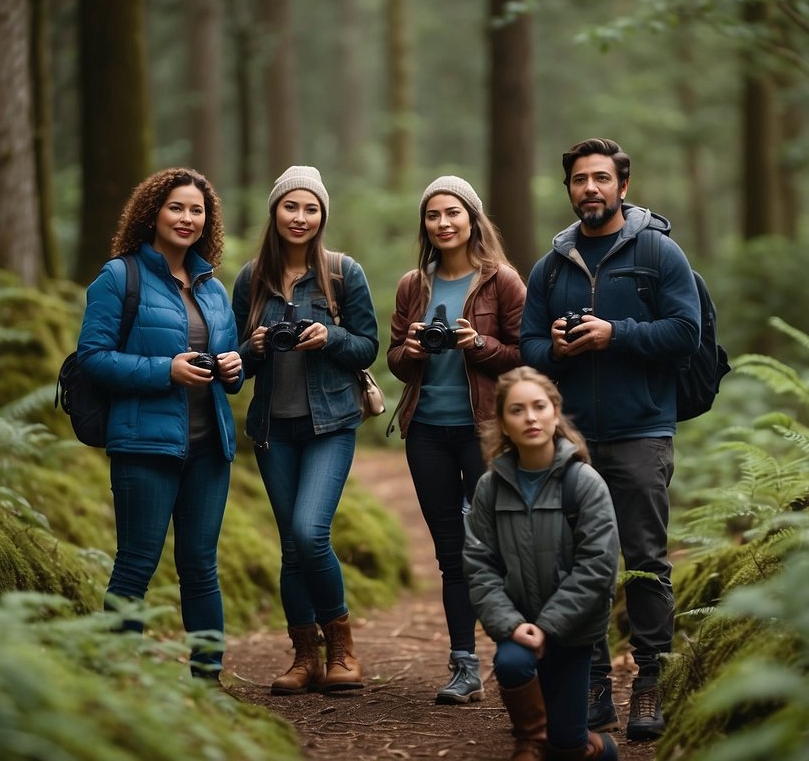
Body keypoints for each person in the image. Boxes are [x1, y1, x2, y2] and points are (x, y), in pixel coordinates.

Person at [519, 138, 700, 740]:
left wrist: (612, 334)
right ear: (568, 189)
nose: (589, 189)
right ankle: (592, 679)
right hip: (572, 439)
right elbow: (530, 348)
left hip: (641, 430)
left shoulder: (659, 253)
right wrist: (561, 348)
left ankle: (651, 680)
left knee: (645, 558)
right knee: (576, 562)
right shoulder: (551, 266)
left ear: (623, 185)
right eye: (578, 180)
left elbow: (685, 331)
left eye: (601, 178)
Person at [77, 167, 245, 681]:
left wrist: (233, 369)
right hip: (144, 445)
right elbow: (92, 358)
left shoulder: (212, 288)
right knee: (135, 566)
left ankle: (207, 679)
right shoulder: (119, 276)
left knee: (200, 567)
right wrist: (163, 371)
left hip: (208, 449)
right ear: (153, 212)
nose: (187, 218)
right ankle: (122, 680)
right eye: (177, 207)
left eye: (197, 210)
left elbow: (225, 364)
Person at [231, 165, 379, 695]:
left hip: (331, 424)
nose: (300, 217)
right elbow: (237, 365)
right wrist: (256, 348)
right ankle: (304, 657)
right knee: (290, 548)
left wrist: (330, 338)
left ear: (322, 216)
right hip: (273, 429)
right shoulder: (251, 279)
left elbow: (368, 347)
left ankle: (342, 646)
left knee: (309, 533)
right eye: (291, 206)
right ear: (275, 212)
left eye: (311, 208)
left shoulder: (343, 273)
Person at [387, 175, 525, 704]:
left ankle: (518, 652)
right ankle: (464, 665)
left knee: (496, 543)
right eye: (432, 215)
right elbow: (396, 359)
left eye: (453, 213)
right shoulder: (412, 285)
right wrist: (415, 353)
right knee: (451, 552)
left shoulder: (503, 281)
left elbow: (526, 357)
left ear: (472, 219)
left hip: (485, 431)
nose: (443, 224)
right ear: (424, 224)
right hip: (426, 433)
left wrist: (480, 344)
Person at [464, 367, 619, 761]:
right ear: (502, 422)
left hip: (573, 631)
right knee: (512, 663)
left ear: (555, 412)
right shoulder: (490, 487)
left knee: (569, 747)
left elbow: (598, 566)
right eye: (517, 410)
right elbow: (479, 564)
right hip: (518, 628)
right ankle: (529, 741)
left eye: (539, 407)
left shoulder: (583, 482)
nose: (530, 418)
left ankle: (598, 749)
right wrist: (513, 625)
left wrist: (548, 625)